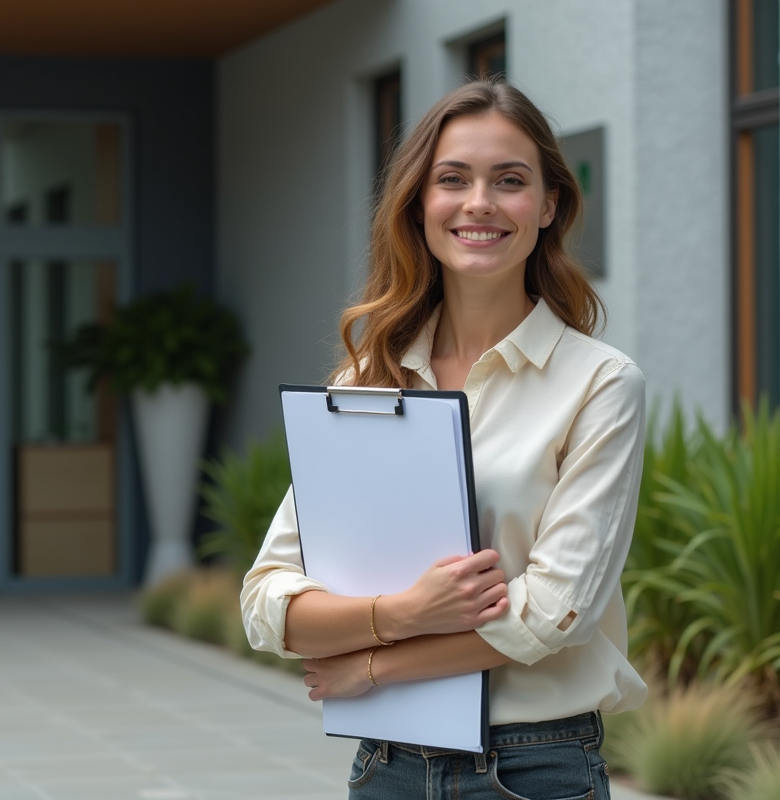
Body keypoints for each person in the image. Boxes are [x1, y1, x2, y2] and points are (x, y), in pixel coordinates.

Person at [241, 77, 648, 799]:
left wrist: (370, 664)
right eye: (452, 179)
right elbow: (268, 604)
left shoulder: (600, 384)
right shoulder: (365, 385)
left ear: (549, 205)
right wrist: (401, 614)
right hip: (386, 765)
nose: (480, 203)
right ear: (420, 205)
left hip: (535, 767)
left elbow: (552, 614)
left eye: (510, 181)